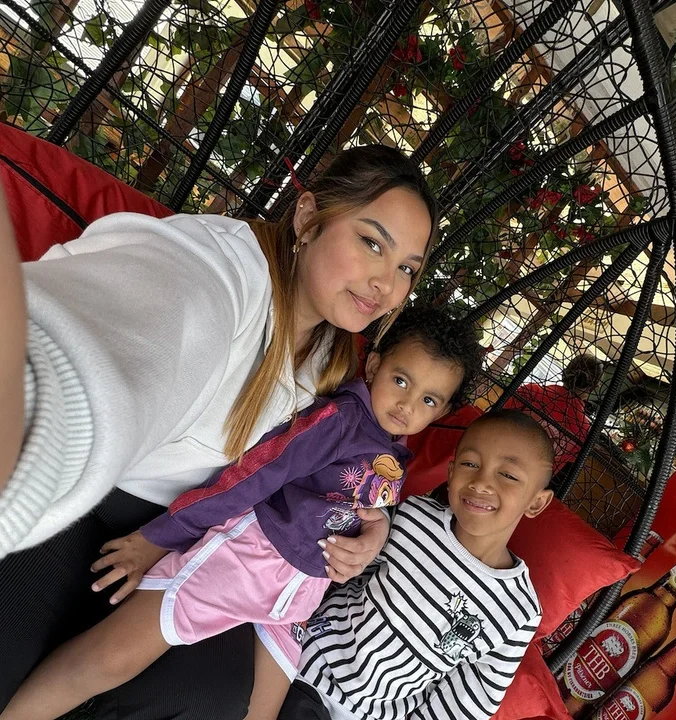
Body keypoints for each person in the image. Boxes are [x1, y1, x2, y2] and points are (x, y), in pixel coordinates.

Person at [0, 145, 438, 719]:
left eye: (407, 268)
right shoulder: (215, 272)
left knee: (220, 697)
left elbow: (300, 477)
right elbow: (98, 347)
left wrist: (366, 532)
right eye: (372, 243)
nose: (385, 282)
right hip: (89, 504)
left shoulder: (336, 360)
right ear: (309, 218)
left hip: (192, 536)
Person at [0, 305, 482, 720]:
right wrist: (163, 535)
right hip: (247, 558)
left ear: (440, 412)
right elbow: (253, 475)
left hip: (298, 595)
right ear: (374, 365)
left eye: (428, 399)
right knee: (114, 656)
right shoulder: (339, 421)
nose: (407, 404)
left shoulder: (392, 449)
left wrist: (378, 529)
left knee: (260, 712)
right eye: (401, 380)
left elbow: (362, 506)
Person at [279, 410, 555, 720]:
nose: (481, 483)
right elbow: (349, 553)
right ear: (451, 473)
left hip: (366, 714)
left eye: (508, 475)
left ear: (536, 502)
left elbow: (469, 701)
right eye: (470, 464)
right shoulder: (413, 516)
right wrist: (373, 531)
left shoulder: (519, 611)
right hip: (305, 658)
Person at [505, 353, 603, 473]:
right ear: (595, 387)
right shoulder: (585, 431)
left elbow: (495, 421)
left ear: (566, 372)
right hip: (528, 482)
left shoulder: (530, 392)